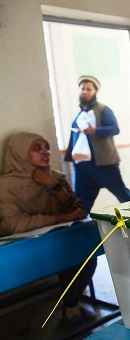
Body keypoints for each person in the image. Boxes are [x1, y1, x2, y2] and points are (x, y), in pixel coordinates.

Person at [0, 132, 98, 329]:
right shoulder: (6, 185)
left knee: (87, 255)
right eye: (37, 148)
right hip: (22, 246)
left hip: (55, 239)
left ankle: (71, 307)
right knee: (64, 253)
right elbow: (13, 225)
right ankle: (71, 309)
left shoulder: (56, 177)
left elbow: (78, 211)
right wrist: (60, 218)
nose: (45, 152)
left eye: (47, 147)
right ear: (19, 153)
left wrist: (52, 186)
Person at [64, 75, 130, 211]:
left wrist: (95, 130)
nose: (85, 92)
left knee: (121, 193)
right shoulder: (79, 113)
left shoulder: (103, 110)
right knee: (82, 200)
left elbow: (114, 129)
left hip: (103, 163)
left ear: (95, 91)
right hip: (83, 164)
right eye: (82, 89)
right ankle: (80, 223)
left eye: (88, 89)